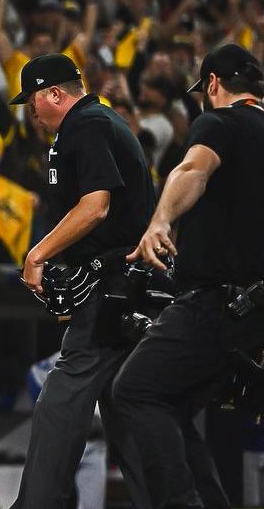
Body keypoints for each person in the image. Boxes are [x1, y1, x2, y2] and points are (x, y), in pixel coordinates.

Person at [113, 43, 264, 509]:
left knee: (134, 391)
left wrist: (161, 219)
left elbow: (193, 167)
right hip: (254, 315)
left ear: (214, 84)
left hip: (216, 305)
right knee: (171, 404)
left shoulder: (219, 121)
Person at [10, 53, 156, 509]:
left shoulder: (87, 124)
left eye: (33, 100)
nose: (31, 111)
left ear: (55, 94)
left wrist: (39, 253)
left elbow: (96, 206)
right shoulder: (96, 121)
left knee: (62, 395)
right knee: (128, 403)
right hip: (129, 286)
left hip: (117, 286)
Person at [28, 352, 107, 509]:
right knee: (46, 501)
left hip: (95, 441)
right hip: (62, 441)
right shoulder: (69, 353)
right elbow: (33, 374)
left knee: (93, 506)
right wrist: (46, 413)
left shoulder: (115, 355)